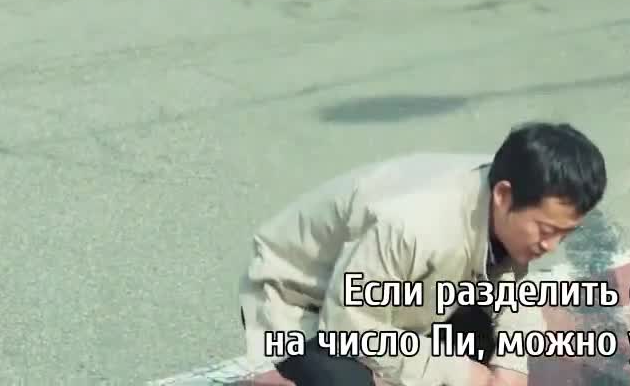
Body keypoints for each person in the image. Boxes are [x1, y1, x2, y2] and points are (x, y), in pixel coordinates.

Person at [237, 122, 608, 386]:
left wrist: (510, 368)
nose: (550, 246)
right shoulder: (414, 225)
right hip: (301, 304)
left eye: (565, 234)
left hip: (397, 295)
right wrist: (462, 373)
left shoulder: (518, 190)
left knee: (490, 342)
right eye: (546, 231)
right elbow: (350, 328)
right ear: (503, 196)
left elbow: (511, 291)